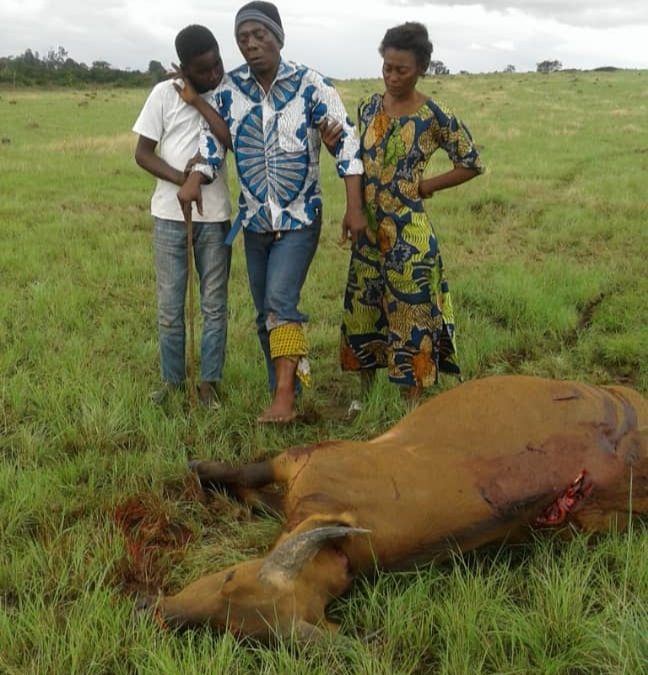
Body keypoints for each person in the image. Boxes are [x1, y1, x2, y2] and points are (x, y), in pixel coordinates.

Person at [178, 1, 367, 423]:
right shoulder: (229, 90)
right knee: (265, 315)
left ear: (279, 37)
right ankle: (285, 387)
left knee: (280, 303)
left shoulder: (312, 85)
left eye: (260, 35)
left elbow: (348, 146)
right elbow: (214, 145)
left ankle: (283, 398)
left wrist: (354, 208)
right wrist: (195, 176)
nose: (251, 44)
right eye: (243, 38)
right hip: (255, 222)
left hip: (301, 219)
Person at [339, 22, 484, 402]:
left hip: (410, 238)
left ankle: (411, 405)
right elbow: (354, 160)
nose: (391, 76)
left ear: (421, 68)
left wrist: (425, 186)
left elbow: (470, 162)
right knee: (364, 312)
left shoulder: (436, 116)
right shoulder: (369, 106)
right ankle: (363, 397)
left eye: (401, 69)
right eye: (386, 67)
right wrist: (352, 208)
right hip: (367, 234)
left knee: (412, 317)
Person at [132, 25, 232, 407]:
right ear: (183, 69)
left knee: (213, 305)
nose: (213, 75)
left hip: (216, 215)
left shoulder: (226, 94)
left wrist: (196, 100)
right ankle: (173, 383)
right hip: (169, 215)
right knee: (171, 305)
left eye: (217, 64)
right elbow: (143, 153)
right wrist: (183, 180)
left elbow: (229, 140)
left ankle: (210, 385)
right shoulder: (162, 94)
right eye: (203, 70)